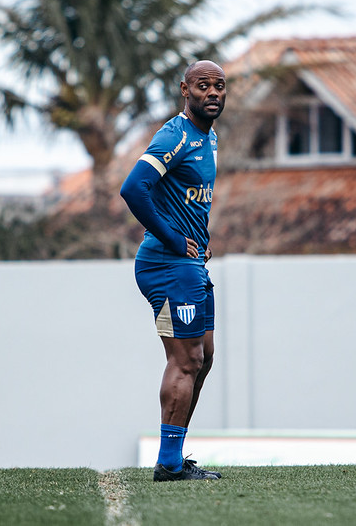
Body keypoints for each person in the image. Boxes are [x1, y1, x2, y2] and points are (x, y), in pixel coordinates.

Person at [120, 60, 226, 482]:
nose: (213, 93)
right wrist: (172, 237)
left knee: (205, 356)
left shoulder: (209, 136)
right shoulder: (176, 134)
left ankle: (175, 455)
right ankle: (168, 463)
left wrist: (196, 237)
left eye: (220, 86)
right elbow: (134, 188)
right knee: (186, 360)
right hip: (166, 264)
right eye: (204, 86)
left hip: (190, 263)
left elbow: (183, 197)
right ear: (185, 90)